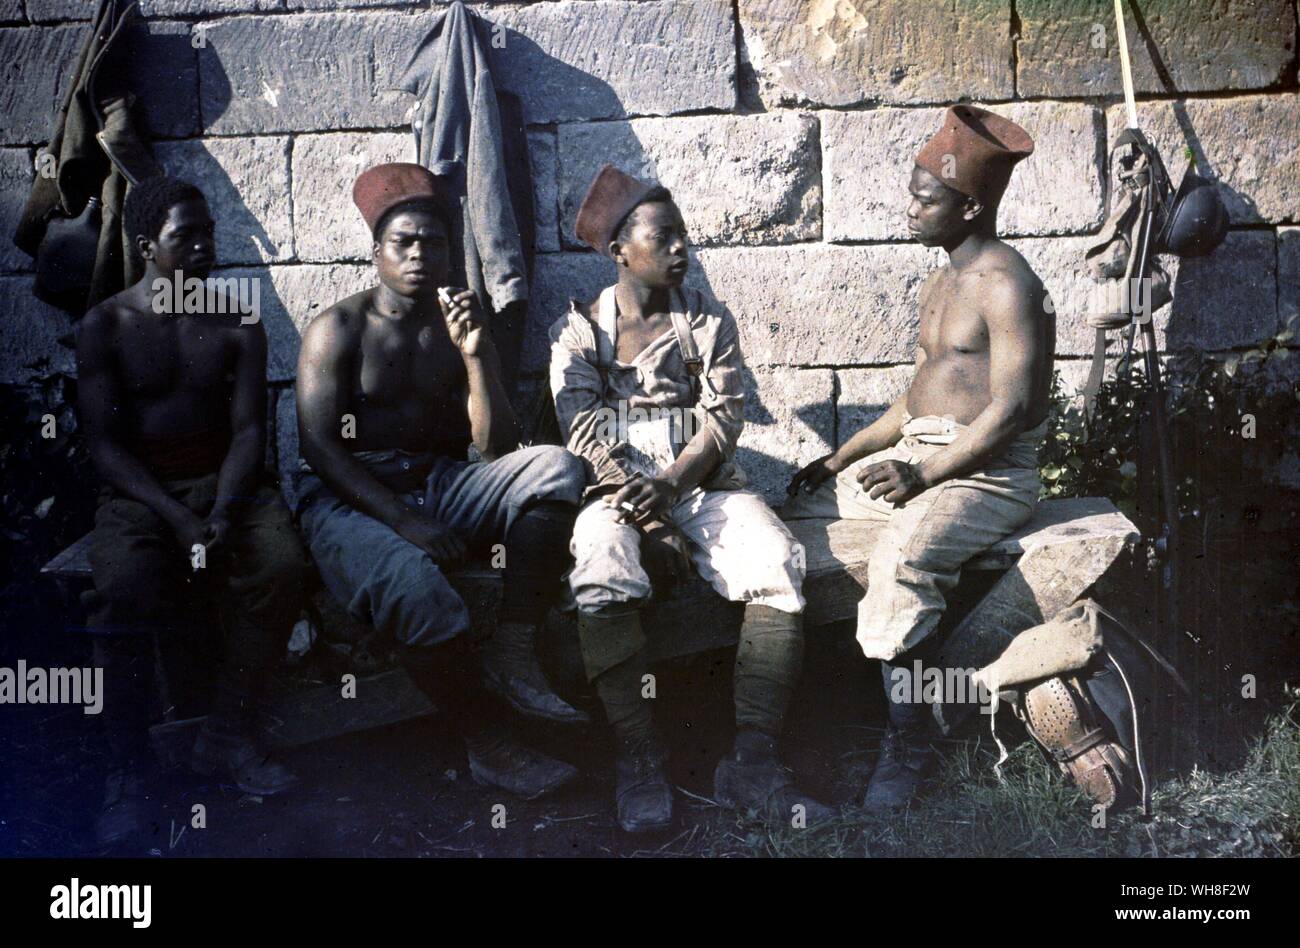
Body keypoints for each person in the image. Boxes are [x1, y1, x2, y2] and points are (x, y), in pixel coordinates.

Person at [782, 106, 1055, 811]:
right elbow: (914, 406)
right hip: (922, 455)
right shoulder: (942, 281)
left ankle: (909, 744)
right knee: (790, 523)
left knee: (901, 561)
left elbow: (1012, 411)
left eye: (924, 199)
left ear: (968, 207)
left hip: (989, 473)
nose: (909, 210)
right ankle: (806, 714)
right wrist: (840, 458)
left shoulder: (1007, 283)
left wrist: (925, 475)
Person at [549, 165, 832, 833]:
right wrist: (647, 516)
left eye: (683, 237)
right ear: (621, 250)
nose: (681, 249)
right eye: (663, 237)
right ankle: (640, 756)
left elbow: (723, 419)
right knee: (602, 565)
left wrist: (673, 488)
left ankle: (753, 760)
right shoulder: (581, 333)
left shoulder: (705, 320)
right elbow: (584, 432)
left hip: (697, 480)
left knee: (773, 558)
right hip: (614, 490)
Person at [295, 163, 588, 802]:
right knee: (416, 587)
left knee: (559, 468)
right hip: (352, 499)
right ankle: (488, 745)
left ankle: (514, 645)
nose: (421, 255)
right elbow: (317, 447)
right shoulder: (338, 329)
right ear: (377, 254)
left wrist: (478, 354)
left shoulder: (454, 320)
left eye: (435, 243)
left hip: (441, 481)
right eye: (405, 242)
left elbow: (497, 447)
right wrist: (403, 522)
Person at [77, 175, 312, 846]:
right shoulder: (107, 325)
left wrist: (223, 512)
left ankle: (228, 736)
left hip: (227, 482)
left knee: (282, 565)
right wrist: (176, 519)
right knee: (120, 590)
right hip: (140, 492)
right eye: (188, 236)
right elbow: (104, 445)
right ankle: (126, 767)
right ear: (148, 245)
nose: (205, 246)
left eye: (209, 232)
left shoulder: (237, 321)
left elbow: (247, 433)